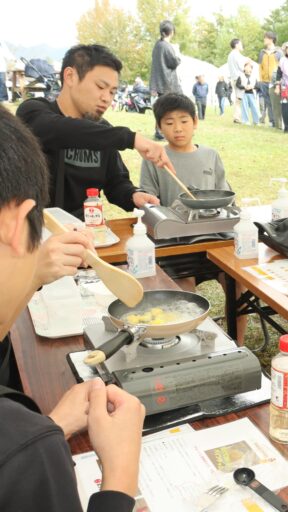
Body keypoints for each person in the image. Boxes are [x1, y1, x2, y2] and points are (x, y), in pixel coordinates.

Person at [0, 105, 146, 512]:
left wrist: (52, 425)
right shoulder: (25, 453)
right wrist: (120, 478)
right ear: (16, 224)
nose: (106, 97)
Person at [138, 94, 248, 344]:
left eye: (184, 121)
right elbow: (149, 203)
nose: (177, 128)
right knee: (184, 295)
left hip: (215, 240)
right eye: (169, 122)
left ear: (195, 122)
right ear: (159, 126)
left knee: (239, 289)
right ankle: (191, 347)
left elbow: (225, 197)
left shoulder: (210, 155)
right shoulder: (155, 160)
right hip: (177, 244)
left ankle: (238, 345)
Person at [16, 44, 172, 219]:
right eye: (100, 87)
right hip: (37, 229)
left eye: (112, 92)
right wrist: (131, 138)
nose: (107, 98)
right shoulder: (33, 113)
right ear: (70, 76)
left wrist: (133, 195)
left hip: (86, 229)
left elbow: (116, 182)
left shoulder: (104, 132)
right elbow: (60, 129)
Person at [150, 20, 182, 140]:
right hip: (167, 82)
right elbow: (173, 62)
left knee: (164, 107)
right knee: (169, 107)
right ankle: (161, 132)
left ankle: (161, 131)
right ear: (171, 32)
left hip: (160, 81)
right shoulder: (166, 46)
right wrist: (177, 54)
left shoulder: (158, 45)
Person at [257, 31, 283, 129]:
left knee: (276, 103)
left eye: (266, 38)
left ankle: (278, 122)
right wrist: (260, 79)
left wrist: (279, 80)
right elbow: (260, 67)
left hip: (275, 82)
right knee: (268, 102)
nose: (264, 39)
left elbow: (282, 67)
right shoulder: (262, 52)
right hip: (264, 81)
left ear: (271, 39)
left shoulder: (279, 52)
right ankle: (272, 122)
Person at [227, 38, 250, 124]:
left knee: (238, 99)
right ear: (236, 45)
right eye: (240, 44)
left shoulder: (230, 55)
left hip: (234, 78)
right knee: (240, 98)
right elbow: (241, 67)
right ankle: (239, 118)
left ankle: (237, 117)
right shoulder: (237, 55)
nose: (241, 45)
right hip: (239, 78)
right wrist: (247, 64)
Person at [236, 62, 260, 126]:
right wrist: (244, 87)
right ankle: (245, 121)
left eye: (249, 67)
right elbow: (237, 85)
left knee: (254, 107)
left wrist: (252, 87)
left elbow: (258, 86)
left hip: (252, 94)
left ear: (251, 69)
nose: (248, 68)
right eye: (246, 66)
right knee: (244, 107)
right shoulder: (240, 76)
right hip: (243, 94)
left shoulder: (254, 77)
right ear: (244, 68)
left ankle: (256, 121)